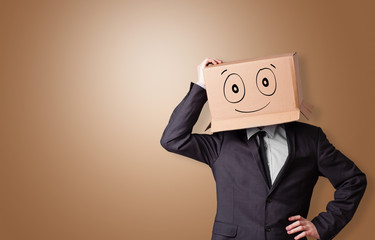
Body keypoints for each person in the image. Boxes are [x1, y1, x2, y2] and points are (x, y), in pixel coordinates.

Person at [160, 58, 366, 240]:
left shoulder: (311, 139)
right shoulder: (222, 142)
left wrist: (323, 226)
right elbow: (173, 139)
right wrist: (203, 85)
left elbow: (353, 180)